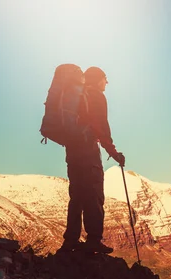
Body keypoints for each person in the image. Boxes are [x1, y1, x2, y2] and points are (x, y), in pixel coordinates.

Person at [58, 66, 125, 254]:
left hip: (72, 153)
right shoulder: (96, 95)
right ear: (98, 79)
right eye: (105, 78)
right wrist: (113, 151)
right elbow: (101, 125)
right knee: (94, 195)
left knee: (77, 197)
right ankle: (93, 240)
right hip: (88, 152)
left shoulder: (77, 96)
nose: (107, 83)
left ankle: (70, 240)